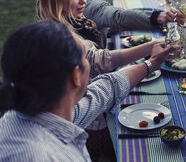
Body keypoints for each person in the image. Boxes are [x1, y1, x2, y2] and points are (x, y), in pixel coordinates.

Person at [36, 0, 165, 160]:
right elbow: (99, 61)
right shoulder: (59, 37)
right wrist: (151, 49)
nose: (83, 0)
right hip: (89, 118)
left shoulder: (72, 22)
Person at [0, 20, 174, 160]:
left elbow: (103, 90)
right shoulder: (42, 155)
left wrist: (151, 64)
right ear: (76, 76)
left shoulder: (41, 111)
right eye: (86, 58)